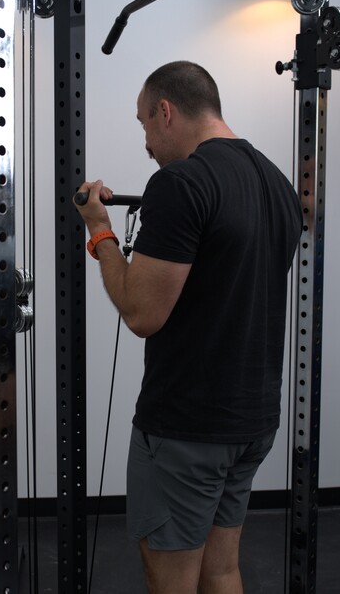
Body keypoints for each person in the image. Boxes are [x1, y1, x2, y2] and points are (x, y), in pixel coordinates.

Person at [73, 61, 302, 594]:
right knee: (221, 569)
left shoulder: (180, 184)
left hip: (187, 429)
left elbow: (141, 313)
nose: (147, 143)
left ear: (166, 111)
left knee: (171, 581)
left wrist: (100, 233)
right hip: (251, 421)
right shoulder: (277, 185)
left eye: (144, 125)